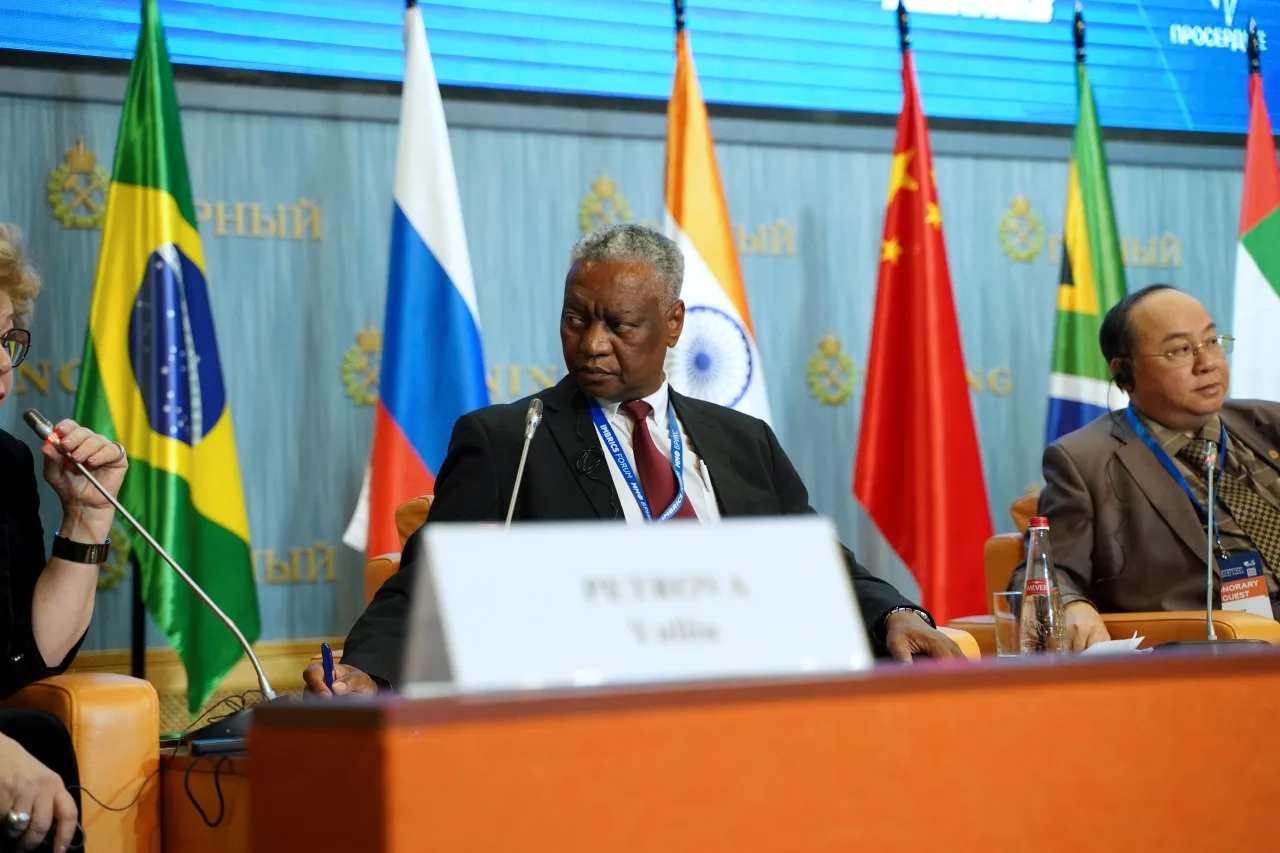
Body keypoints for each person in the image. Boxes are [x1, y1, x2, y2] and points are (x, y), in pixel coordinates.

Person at [307, 224, 963, 697]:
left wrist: (895, 613)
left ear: (673, 323)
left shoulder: (742, 441)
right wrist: (368, 670)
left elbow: (815, 560)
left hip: (753, 696)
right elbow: (431, 581)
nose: (591, 344)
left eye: (619, 325)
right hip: (597, 712)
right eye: (575, 319)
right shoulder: (511, 440)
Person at [1010, 284, 1280, 650]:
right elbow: (1044, 571)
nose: (1207, 363)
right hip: (1221, 651)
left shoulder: (1269, 422)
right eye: (1180, 350)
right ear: (1125, 372)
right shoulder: (1085, 460)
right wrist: (1071, 604)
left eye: (1212, 341)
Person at [0, 225, 128, 852]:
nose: (3, 364)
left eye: (6, 339)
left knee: (38, 737)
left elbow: (27, 656)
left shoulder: (5, 463)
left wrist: (85, 518)